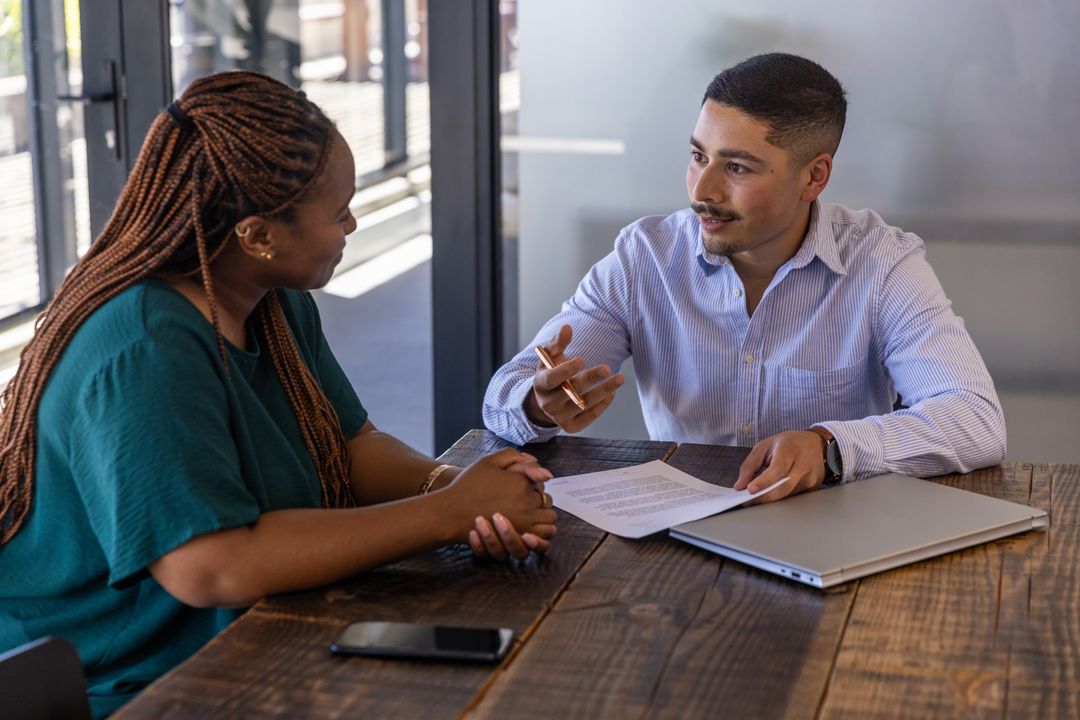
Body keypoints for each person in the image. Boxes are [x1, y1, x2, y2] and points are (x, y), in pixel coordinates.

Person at [0, 71, 556, 719]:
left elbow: (351, 445)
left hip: (254, 638)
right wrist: (448, 515)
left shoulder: (270, 300)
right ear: (259, 237)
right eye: (339, 212)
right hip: (120, 686)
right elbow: (212, 568)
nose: (352, 222)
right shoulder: (143, 346)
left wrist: (457, 489)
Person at [484, 52, 1006, 504]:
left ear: (814, 176)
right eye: (698, 156)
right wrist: (538, 405)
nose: (702, 191)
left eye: (737, 168)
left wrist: (829, 447)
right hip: (678, 535)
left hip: (833, 529)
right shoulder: (644, 259)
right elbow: (504, 396)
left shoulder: (882, 263)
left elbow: (975, 419)